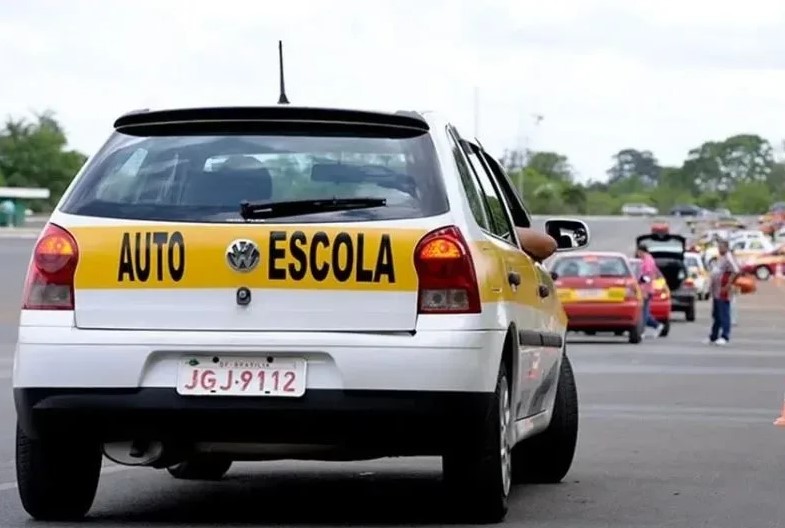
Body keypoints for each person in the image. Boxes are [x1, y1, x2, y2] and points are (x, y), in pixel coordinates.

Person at [704, 239, 740, 345]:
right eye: (718, 247)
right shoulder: (721, 258)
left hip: (723, 290)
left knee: (724, 313)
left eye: (721, 247)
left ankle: (725, 335)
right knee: (716, 314)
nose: (719, 249)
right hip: (716, 290)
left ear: (726, 247)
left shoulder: (729, 257)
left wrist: (728, 284)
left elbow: (736, 270)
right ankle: (713, 336)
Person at [635, 244, 664, 337]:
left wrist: (640, 282)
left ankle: (643, 331)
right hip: (646, 289)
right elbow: (657, 273)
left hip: (646, 289)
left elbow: (647, 275)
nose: (637, 254)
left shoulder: (647, 260)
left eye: (638, 252)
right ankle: (657, 325)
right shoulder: (648, 259)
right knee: (644, 312)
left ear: (641, 251)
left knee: (643, 313)